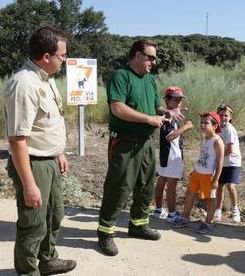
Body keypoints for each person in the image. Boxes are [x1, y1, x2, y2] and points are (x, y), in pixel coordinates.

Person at [4, 26, 76, 275]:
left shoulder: (46, 80)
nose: (64, 60)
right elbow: (17, 139)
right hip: (33, 164)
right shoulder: (24, 84)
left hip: (50, 161)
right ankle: (27, 270)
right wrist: (29, 184)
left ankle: (47, 260)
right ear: (46, 56)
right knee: (33, 223)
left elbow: (47, 123)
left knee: (54, 216)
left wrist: (59, 152)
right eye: (62, 55)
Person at [97, 39, 173, 256]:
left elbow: (153, 105)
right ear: (137, 55)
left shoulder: (150, 80)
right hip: (124, 143)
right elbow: (118, 108)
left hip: (146, 143)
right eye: (150, 57)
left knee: (145, 186)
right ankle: (105, 233)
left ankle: (138, 226)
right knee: (118, 188)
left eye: (154, 57)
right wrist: (149, 119)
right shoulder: (121, 76)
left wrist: (164, 112)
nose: (154, 61)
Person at [174, 112, 224, 234]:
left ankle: (208, 223)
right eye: (201, 122)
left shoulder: (217, 141)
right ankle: (185, 218)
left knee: (210, 198)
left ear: (214, 126)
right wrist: (195, 170)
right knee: (190, 194)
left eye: (206, 123)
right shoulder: (205, 138)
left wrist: (216, 179)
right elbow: (203, 156)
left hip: (208, 175)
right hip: (197, 173)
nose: (202, 125)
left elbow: (219, 162)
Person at [153, 86, 193, 222]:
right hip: (171, 155)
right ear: (167, 101)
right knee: (171, 185)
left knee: (162, 180)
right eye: (175, 99)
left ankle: (158, 210)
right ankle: (172, 214)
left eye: (180, 99)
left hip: (166, 155)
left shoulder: (170, 114)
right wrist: (186, 127)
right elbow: (169, 137)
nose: (178, 103)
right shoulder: (169, 116)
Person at [214, 104, 241, 223]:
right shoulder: (216, 129)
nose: (223, 117)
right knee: (219, 186)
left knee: (230, 186)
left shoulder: (229, 129)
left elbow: (229, 150)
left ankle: (235, 210)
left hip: (232, 162)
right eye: (220, 115)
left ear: (230, 117)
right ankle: (218, 211)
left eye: (226, 115)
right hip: (221, 162)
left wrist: (217, 158)